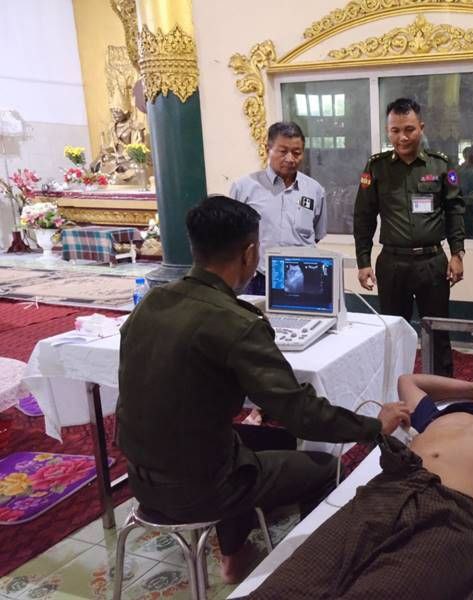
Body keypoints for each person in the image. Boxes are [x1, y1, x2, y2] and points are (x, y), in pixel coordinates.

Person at [116, 195, 409, 583]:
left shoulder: (152, 302)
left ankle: (235, 554)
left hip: (141, 480)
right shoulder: (237, 323)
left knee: (254, 440)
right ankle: (312, 575)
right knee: (326, 466)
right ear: (250, 253)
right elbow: (301, 414)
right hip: (199, 488)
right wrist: (374, 426)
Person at [248, 368, 473, 599]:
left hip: (453, 516)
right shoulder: (444, 413)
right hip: (386, 491)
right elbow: (408, 381)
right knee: (291, 584)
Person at [354, 97, 465, 376]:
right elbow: (364, 216)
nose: (402, 137)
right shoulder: (376, 167)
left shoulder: (440, 165)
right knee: (393, 333)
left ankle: (441, 390)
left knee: (437, 333)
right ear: (388, 130)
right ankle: (395, 388)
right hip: (392, 263)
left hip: (432, 262)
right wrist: (363, 261)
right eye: (395, 130)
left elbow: (455, 210)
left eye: (409, 129)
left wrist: (457, 253)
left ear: (421, 128)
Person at [230, 122, 327, 296]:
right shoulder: (244, 188)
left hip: (303, 279)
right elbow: (233, 236)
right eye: (283, 151)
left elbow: (317, 234)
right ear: (268, 149)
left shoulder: (315, 190)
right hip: (259, 279)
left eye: (296, 153)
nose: (290, 159)